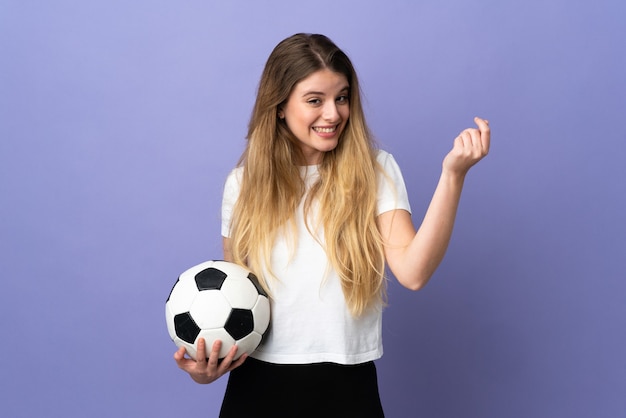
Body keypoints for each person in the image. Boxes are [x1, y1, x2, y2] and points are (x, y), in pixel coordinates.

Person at [174, 33, 490, 417]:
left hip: (347, 387)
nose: (333, 113)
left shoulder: (376, 171)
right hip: (256, 389)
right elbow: (235, 307)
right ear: (279, 106)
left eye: (341, 97)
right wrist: (205, 372)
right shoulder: (242, 185)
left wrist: (452, 176)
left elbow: (414, 271)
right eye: (314, 100)